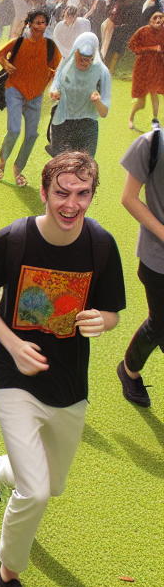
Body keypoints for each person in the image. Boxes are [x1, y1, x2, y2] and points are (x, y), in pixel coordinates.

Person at [0, 152, 124, 587]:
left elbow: (111, 311)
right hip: (12, 374)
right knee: (34, 490)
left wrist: (103, 321)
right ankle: (9, 574)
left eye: (82, 194)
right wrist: (10, 342)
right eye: (63, 192)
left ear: (91, 195)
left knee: (50, 484)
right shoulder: (14, 239)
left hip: (68, 381)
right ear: (45, 190)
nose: (71, 204)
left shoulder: (100, 244)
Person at [117, 126, 164, 408]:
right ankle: (129, 370)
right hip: (158, 258)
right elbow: (128, 198)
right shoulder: (153, 143)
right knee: (158, 323)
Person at [0, 8, 61, 188]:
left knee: (32, 134)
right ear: (29, 23)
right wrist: (7, 65)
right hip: (14, 89)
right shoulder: (18, 42)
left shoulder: (50, 47)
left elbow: (59, 69)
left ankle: (18, 167)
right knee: (14, 130)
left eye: (43, 22)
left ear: (47, 25)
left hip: (36, 95)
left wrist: (53, 81)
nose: (40, 25)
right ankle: (3, 159)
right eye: (36, 22)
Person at [47, 32, 110, 157]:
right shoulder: (65, 64)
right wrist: (54, 92)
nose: (84, 62)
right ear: (75, 51)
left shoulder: (102, 72)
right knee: (62, 167)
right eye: (81, 57)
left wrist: (97, 101)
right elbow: (54, 87)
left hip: (87, 126)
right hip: (63, 122)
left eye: (89, 59)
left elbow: (104, 113)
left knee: (85, 169)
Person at [127, 11, 164, 128]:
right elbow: (133, 46)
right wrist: (151, 49)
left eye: (161, 17)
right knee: (141, 103)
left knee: (154, 92)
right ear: (150, 20)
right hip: (143, 68)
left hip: (156, 67)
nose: (159, 19)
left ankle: (155, 119)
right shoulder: (143, 31)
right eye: (155, 17)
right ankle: (131, 117)